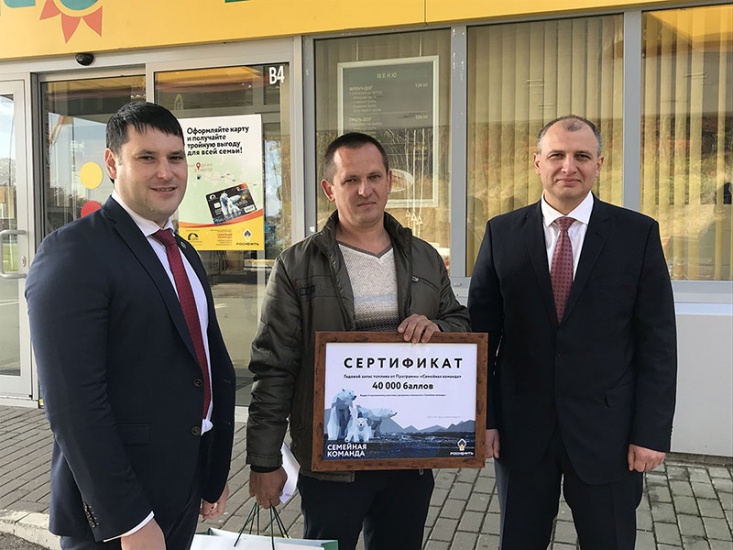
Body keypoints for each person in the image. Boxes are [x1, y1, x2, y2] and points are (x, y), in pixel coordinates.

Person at [25, 101, 236, 550]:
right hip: (120, 512)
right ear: (111, 163)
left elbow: (207, 363)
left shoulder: (182, 250)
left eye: (175, 157)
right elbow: (74, 405)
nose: (166, 172)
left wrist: (214, 473)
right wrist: (129, 518)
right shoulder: (73, 253)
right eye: (147, 158)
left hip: (183, 484)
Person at [245, 132, 471, 550]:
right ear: (329, 189)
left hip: (407, 456)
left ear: (389, 181)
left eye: (373, 177)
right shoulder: (296, 266)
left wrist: (438, 329)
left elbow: (459, 321)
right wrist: (264, 459)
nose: (365, 190)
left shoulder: (424, 257)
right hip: (331, 462)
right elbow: (274, 366)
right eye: (350, 180)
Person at [468, 115, 677, 549]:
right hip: (522, 432)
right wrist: (485, 419)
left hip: (609, 435)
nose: (569, 166)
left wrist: (651, 433)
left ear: (599, 163)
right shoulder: (501, 233)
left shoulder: (637, 234)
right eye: (557, 155)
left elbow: (657, 343)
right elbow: (482, 336)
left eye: (581, 156)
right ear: (537, 162)